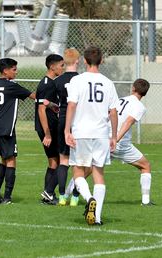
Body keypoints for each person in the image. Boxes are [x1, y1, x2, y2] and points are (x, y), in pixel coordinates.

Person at [65, 46, 119, 225]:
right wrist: (114, 136)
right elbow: (113, 112)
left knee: (78, 172)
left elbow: (71, 105)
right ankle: (97, 218)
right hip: (102, 134)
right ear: (102, 60)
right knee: (99, 174)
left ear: (85, 61)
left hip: (81, 132)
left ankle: (89, 199)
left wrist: (67, 130)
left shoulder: (77, 81)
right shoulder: (108, 83)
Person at [0, 58, 35, 204]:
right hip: (6, 128)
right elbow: (33, 96)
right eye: (14, 69)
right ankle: (7, 197)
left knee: (3, 159)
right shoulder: (11, 86)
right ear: (5, 70)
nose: (16, 72)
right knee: (11, 160)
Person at [112, 78, 152, 206]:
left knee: (88, 168)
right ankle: (145, 201)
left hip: (106, 139)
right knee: (145, 166)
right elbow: (128, 122)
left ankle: (68, 194)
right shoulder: (140, 106)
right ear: (144, 93)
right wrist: (116, 139)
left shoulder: (120, 99)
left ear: (133, 88)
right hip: (121, 144)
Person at [35, 54, 64, 205]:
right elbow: (41, 110)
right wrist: (47, 133)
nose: (62, 68)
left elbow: (45, 104)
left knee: (54, 161)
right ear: (52, 66)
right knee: (59, 161)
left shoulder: (50, 82)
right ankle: (49, 193)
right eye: (61, 65)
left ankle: (48, 195)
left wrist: (53, 105)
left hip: (51, 128)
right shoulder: (47, 84)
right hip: (48, 129)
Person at [54, 48, 80, 206]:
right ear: (77, 61)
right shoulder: (82, 79)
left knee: (63, 160)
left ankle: (62, 196)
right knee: (79, 162)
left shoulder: (57, 81)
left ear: (64, 62)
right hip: (78, 120)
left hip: (63, 119)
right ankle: (75, 197)